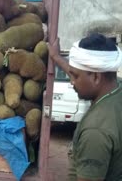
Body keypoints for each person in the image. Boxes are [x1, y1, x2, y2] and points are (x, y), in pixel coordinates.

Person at [48, 33, 122, 181]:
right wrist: (56, 57)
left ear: (96, 77)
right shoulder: (115, 90)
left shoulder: (95, 132)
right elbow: (80, 72)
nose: (72, 82)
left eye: (75, 77)